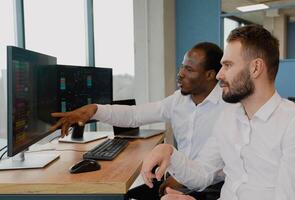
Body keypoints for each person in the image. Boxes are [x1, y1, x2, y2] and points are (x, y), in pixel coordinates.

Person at [141, 25, 295, 200]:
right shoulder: (229, 117)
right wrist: (169, 153)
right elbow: (204, 172)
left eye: (228, 65)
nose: (218, 75)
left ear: (255, 68)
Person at [49, 42, 228, 199]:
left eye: (189, 69)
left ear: (210, 75)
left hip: (211, 187)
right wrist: (95, 110)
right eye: (182, 66)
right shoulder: (178, 101)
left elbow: (207, 173)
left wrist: (179, 177)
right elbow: (135, 115)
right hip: (181, 176)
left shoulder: (228, 108)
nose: (180, 73)